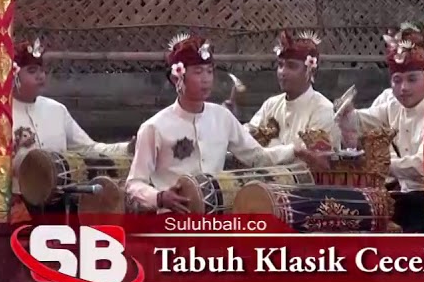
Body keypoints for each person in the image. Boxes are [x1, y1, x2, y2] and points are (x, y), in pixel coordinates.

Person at [125, 35, 326, 213]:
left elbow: (257, 157)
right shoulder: (154, 127)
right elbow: (134, 183)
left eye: (209, 71)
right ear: (177, 77)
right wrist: (159, 198)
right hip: (172, 221)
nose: (206, 79)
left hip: (217, 218)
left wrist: (296, 151)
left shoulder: (222, 117)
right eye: (198, 72)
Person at [0, 39, 127, 224]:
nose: (40, 76)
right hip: (9, 208)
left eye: (41, 70)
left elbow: (89, 149)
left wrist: (126, 148)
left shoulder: (57, 110)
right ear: (12, 76)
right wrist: (7, 162)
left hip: (58, 205)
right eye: (32, 71)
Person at [340, 24, 424, 232]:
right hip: (407, 198)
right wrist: (345, 111)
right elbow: (360, 121)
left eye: (412, 79)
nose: (403, 88)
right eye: (397, 80)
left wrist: (381, 164)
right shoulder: (393, 107)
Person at [244, 30, 339, 151]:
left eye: (291, 66)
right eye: (280, 65)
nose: (282, 72)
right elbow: (248, 139)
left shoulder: (323, 109)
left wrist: (271, 145)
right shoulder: (271, 105)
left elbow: (308, 158)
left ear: (311, 71)